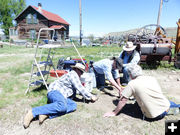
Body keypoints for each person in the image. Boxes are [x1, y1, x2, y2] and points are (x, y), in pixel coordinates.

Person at [23, 63, 98, 129]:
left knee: (73, 105)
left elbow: (77, 90)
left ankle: (46, 114)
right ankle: (33, 112)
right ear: (76, 69)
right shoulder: (73, 74)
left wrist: (85, 96)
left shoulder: (74, 75)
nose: (81, 74)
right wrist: (91, 96)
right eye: (81, 72)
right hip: (55, 92)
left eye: (82, 72)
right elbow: (80, 87)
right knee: (62, 106)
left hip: (62, 95)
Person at [104, 64, 180, 121]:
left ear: (130, 75)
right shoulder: (151, 78)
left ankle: (172, 109)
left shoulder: (132, 84)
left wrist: (114, 113)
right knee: (171, 104)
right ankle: (173, 108)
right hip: (164, 105)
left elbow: (123, 100)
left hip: (153, 116)